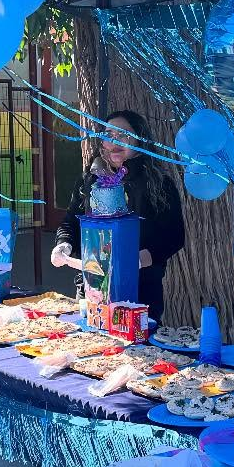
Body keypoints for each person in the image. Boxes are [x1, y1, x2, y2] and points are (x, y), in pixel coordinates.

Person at [52, 110, 185, 321]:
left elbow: (173, 236)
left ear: (139, 139)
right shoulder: (89, 181)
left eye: (123, 134)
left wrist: (136, 260)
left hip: (141, 291)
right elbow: (71, 222)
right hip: (92, 289)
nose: (115, 141)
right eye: (108, 135)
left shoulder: (159, 184)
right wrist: (63, 244)